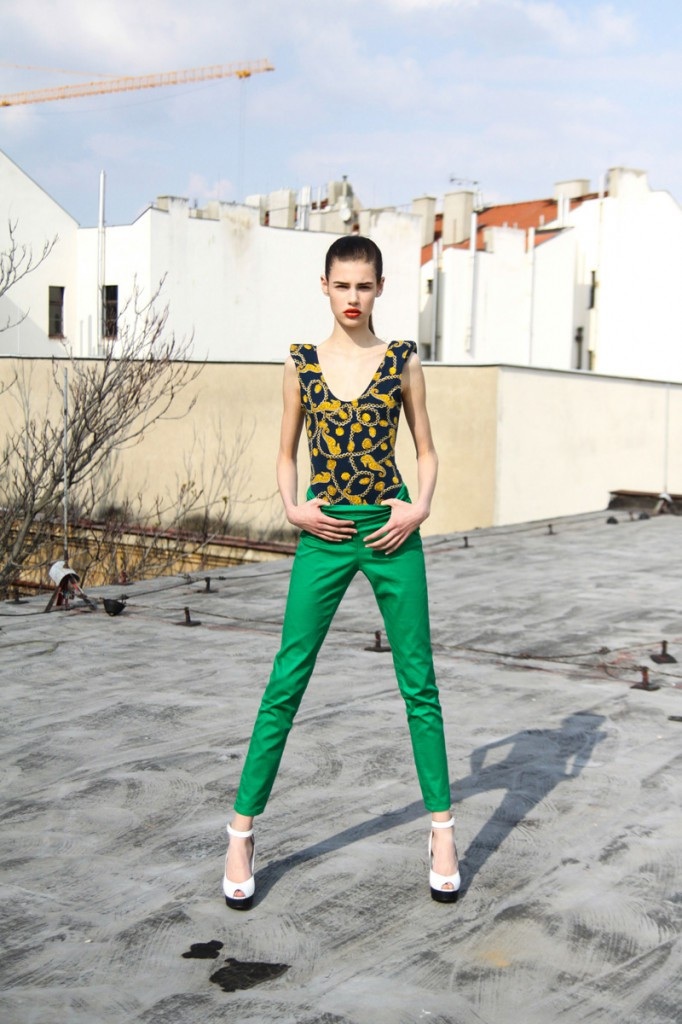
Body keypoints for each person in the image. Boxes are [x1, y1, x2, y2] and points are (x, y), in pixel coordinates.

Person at [223, 235, 459, 908]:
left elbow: (427, 449)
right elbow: (285, 452)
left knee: (419, 684)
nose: (353, 297)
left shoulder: (403, 360)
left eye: (364, 285)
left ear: (380, 288)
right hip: (323, 535)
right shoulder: (300, 362)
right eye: (343, 284)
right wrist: (292, 509)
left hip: (390, 530)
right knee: (286, 681)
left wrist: (419, 507)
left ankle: (442, 832)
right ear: (324, 286)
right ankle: (240, 833)